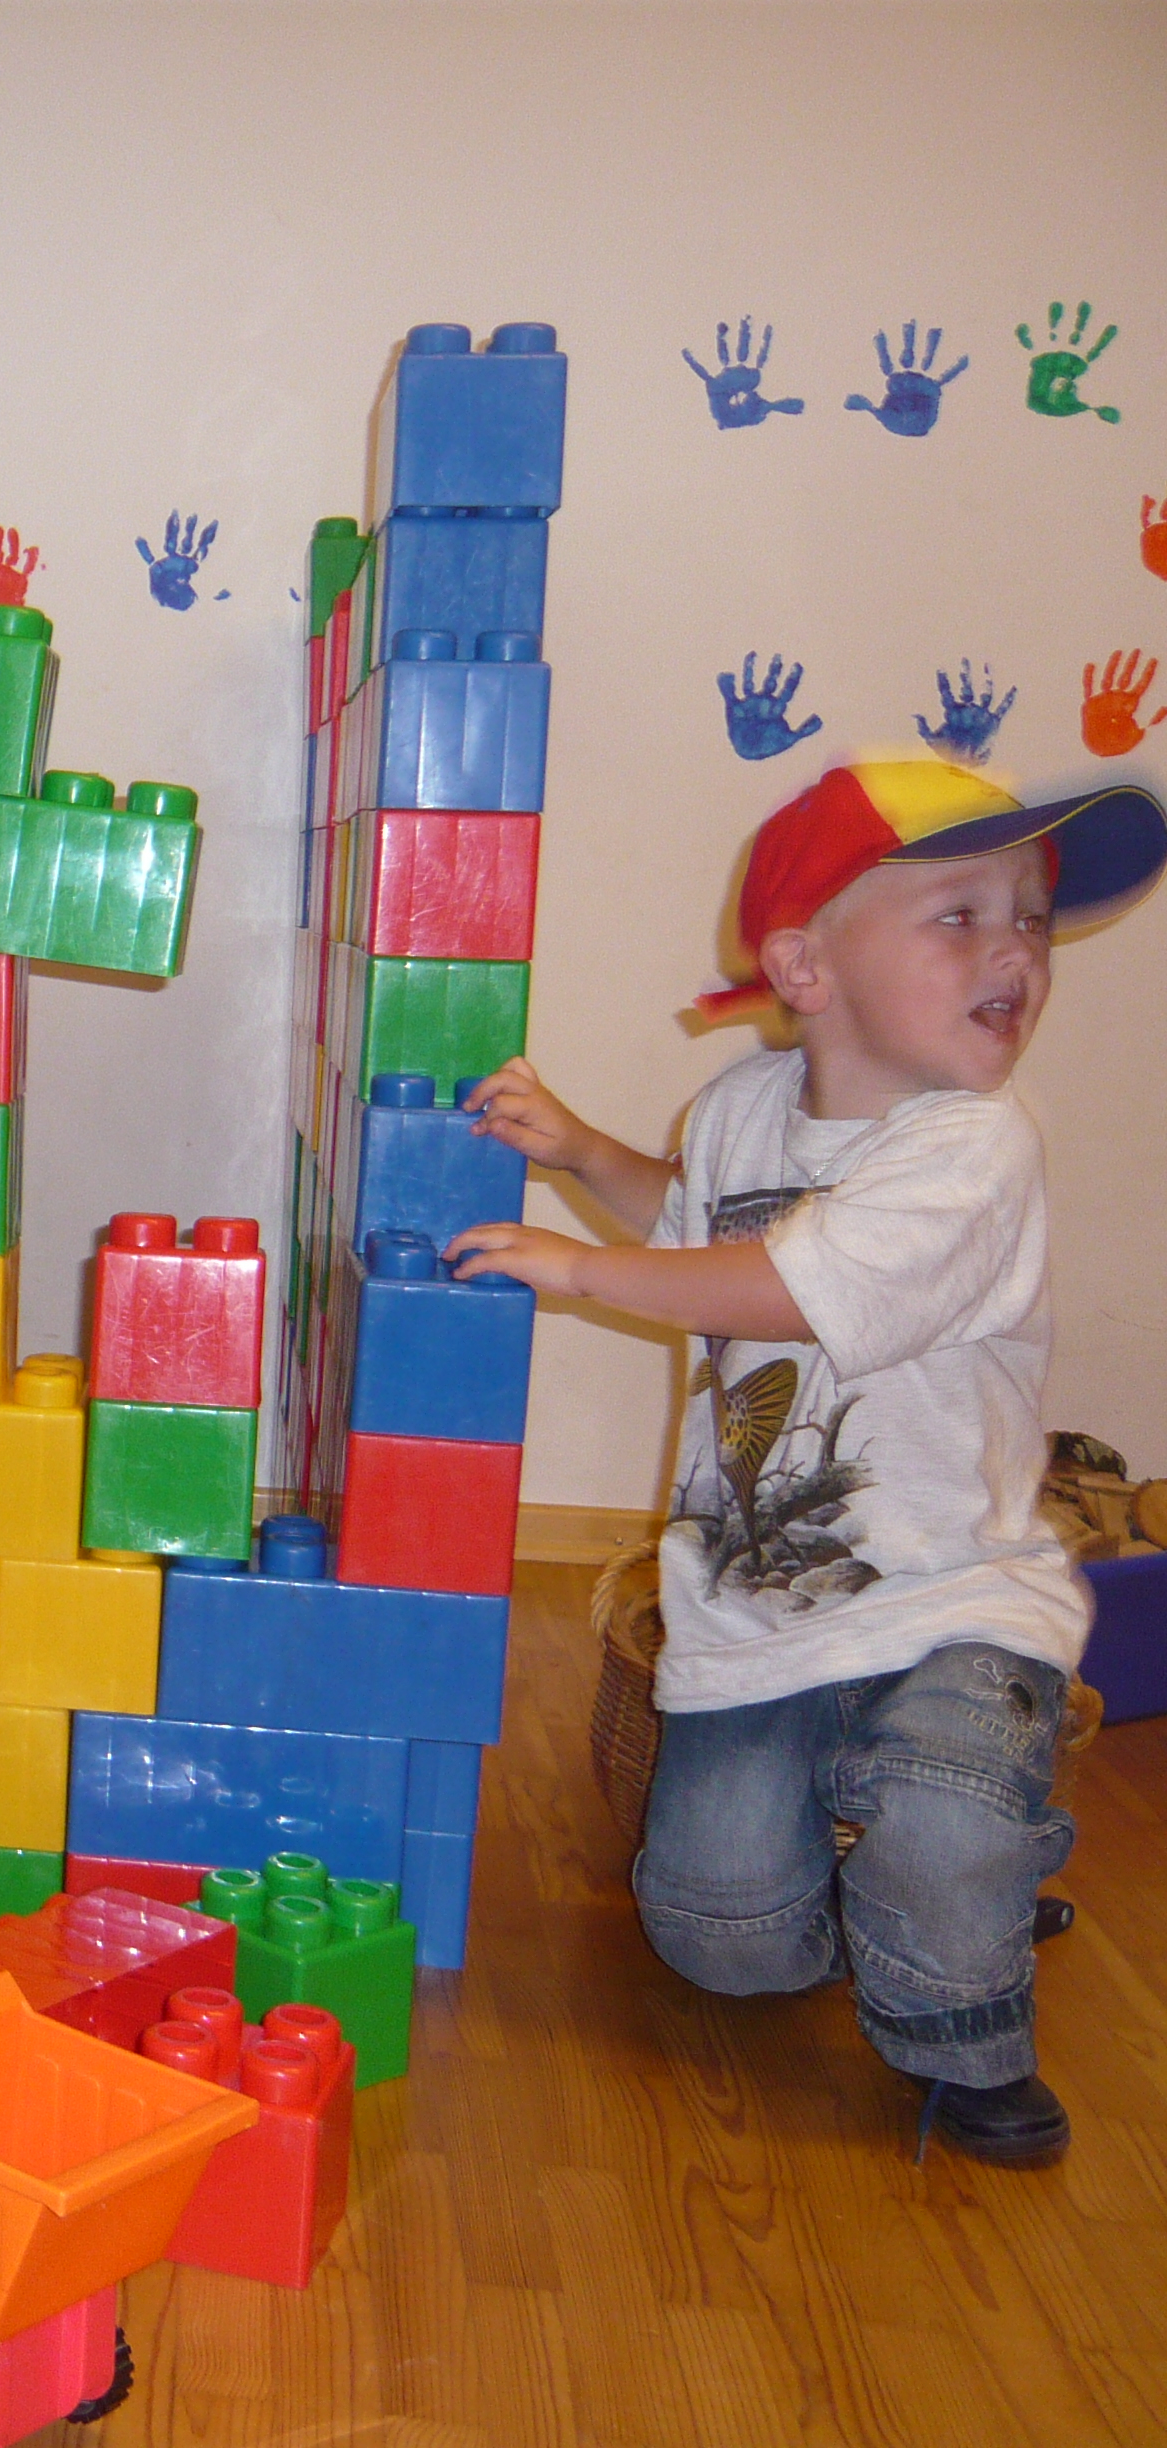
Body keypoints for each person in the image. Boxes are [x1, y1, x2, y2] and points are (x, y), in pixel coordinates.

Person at [448, 760, 1164, 2168]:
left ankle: (963, 2007)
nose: (1016, 948)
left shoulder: (976, 1145)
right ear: (804, 968)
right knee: (716, 1936)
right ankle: (917, 1889)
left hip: (951, 1601)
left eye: (1029, 917)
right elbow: (706, 1227)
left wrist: (579, 1271)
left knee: (946, 1822)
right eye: (961, 915)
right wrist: (583, 1152)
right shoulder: (743, 1105)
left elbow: (779, 1289)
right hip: (766, 1610)